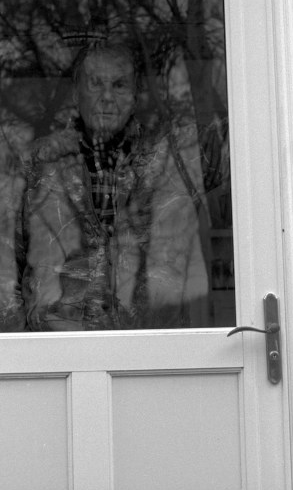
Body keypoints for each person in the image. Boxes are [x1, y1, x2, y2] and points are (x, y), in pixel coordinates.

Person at [14, 41, 210, 331]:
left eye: (119, 85)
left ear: (134, 97)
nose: (107, 97)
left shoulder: (168, 160)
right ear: (76, 94)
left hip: (150, 341)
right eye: (95, 84)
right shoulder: (40, 163)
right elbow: (3, 271)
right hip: (57, 341)